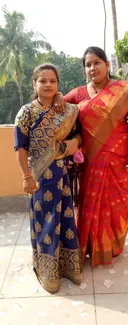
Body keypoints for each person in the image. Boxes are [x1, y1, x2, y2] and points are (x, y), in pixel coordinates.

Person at [53, 46, 128, 267]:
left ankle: (114, 246)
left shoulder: (123, 91)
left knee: (116, 203)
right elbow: (58, 107)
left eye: (97, 62)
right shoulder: (79, 93)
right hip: (90, 161)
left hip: (119, 158)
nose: (92, 68)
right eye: (88, 65)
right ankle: (89, 245)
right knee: (89, 204)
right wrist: (59, 94)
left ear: (107, 65)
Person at [14, 63, 82, 294]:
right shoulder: (26, 112)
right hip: (41, 178)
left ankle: (68, 268)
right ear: (34, 84)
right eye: (43, 81)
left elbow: (77, 135)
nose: (48, 85)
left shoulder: (66, 110)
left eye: (53, 81)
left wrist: (75, 143)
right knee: (46, 223)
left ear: (58, 84)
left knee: (66, 221)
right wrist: (25, 176)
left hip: (62, 176)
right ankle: (47, 272)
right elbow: (20, 148)